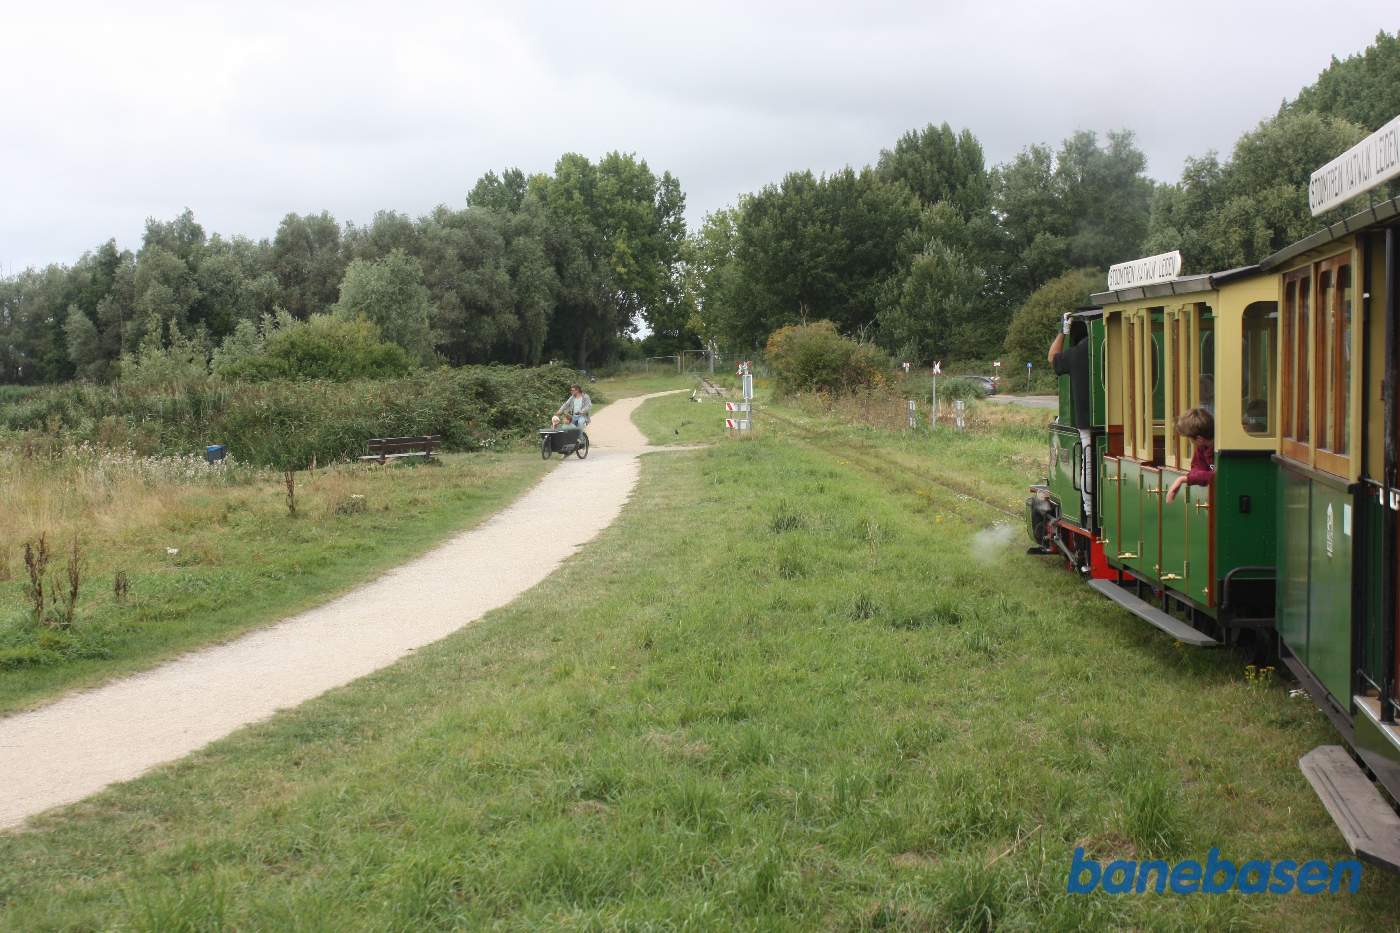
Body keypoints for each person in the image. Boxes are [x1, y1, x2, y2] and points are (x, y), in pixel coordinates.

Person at [1048, 313, 1093, 520]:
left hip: (1089, 424)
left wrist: (1061, 332)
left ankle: (1090, 511)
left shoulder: (1078, 353)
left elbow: (1052, 358)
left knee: (1088, 466)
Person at [1165, 408, 1214, 503]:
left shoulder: (1222, 450)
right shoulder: (1202, 448)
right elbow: (1196, 469)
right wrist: (1190, 477)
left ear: (1199, 439)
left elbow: (1219, 476)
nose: (1190, 442)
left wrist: (1183, 479)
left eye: (1189, 438)